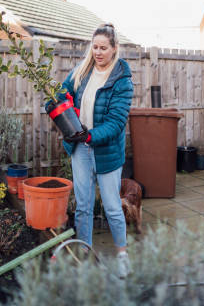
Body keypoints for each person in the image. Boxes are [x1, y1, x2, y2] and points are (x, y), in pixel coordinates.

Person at [56, 23, 133, 277]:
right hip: (80, 149)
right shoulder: (83, 69)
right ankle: (84, 252)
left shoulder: (122, 80)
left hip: (106, 151)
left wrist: (89, 134)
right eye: (95, 47)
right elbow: (63, 92)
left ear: (114, 49)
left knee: (111, 206)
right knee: (84, 206)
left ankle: (122, 254)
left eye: (103, 48)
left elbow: (116, 122)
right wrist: (55, 101)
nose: (98, 52)